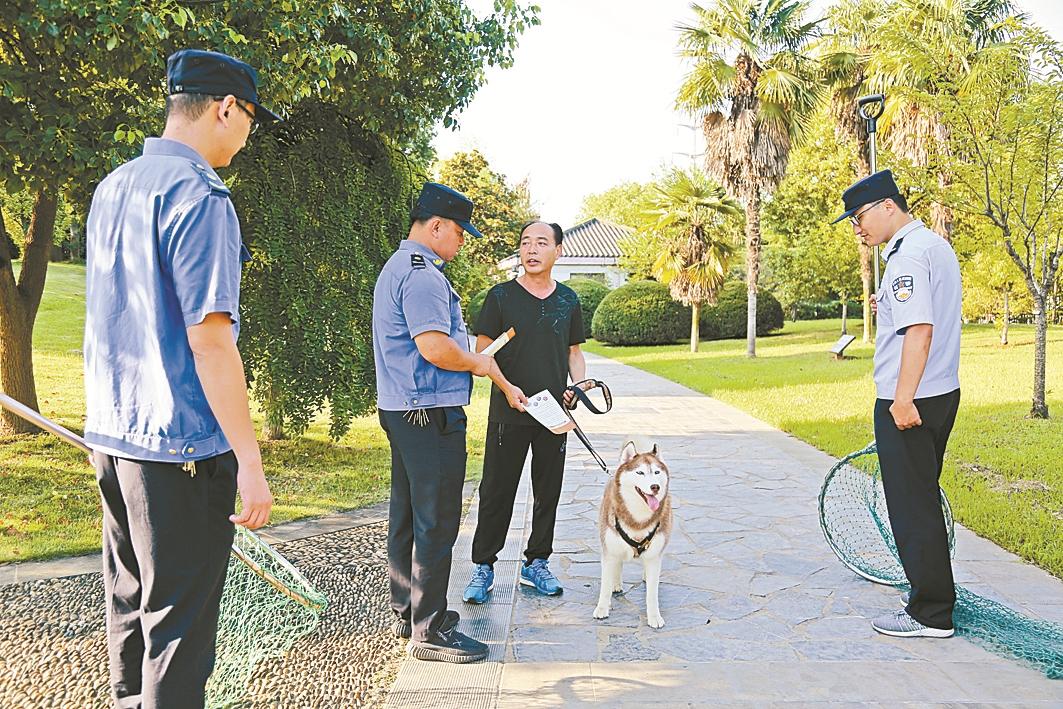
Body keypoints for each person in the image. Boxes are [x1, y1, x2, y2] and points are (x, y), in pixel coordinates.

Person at [84, 49, 280, 707]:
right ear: (226, 107)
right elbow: (210, 340)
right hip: (180, 450)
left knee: (132, 607)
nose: (249, 135)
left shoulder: (114, 185)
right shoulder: (199, 196)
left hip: (113, 438)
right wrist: (249, 462)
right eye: (250, 118)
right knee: (179, 635)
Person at [372, 182, 528, 664]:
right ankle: (431, 627)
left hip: (404, 410)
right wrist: (477, 363)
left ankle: (410, 610)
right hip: (429, 413)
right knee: (436, 519)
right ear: (435, 226)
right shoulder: (422, 275)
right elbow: (435, 348)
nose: (463, 241)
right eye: (459, 231)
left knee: (407, 514)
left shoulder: (400, 266)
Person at [832, 169, 962, 638]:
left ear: (889, 206)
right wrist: (884, 302)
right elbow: (924, 312)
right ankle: (934, 598)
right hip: (942, 390)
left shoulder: (906, 257)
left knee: (911, 506)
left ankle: (930, 614)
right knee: (921, 498)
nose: (857, 227)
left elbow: (920, 330)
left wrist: (902, 400)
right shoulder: (931, 246)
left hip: (911, 398)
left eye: (860, 215)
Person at [462, 221, 589, 604]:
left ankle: (536, 563)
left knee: (547, 492)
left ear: (558, 251)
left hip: (553, 416)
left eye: (541, 243)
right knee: (497, 491)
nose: (531, 250)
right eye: (525, 243)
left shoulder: (568, 301)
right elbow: (483, 354)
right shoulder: (499, 297)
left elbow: (574, 354)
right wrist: (508, 389)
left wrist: (578, 388)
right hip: (510, 411)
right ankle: (483, 567)